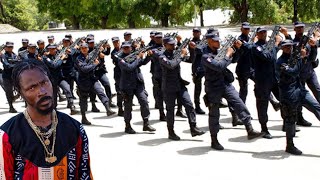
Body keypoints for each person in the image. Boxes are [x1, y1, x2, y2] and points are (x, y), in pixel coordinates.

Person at [0, 59, 93, 179]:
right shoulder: (7, 135)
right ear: (20, 93)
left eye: (44, 82)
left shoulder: (75, 128)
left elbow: (84, 173)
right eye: (32, 88)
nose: (42, 91)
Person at [201, 33, 261, 150]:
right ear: (209, 41)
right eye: (215, 41)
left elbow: (233, 60)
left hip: (225, 83)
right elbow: (219, 65)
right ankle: (214, 139)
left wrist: (237, 49)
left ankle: (249, 129)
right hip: (213, 87)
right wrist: (228, 54)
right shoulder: (205, 56)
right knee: (214, 113)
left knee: (238, 102)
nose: (218, 43)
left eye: (219, 40)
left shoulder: (220, 51)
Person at [276, 39, 320, 155]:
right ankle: (289, 145)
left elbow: (310, 59)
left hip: (300, 89)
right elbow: (294, 71)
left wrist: (313, 47)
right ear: (282, 48)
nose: (288, 48)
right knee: (290, 119)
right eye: (285, 46)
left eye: (290, 46)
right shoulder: (280, 62)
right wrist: (302, 57)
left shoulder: (295, 56)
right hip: (289, 93)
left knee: (317, 107)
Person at [158, 37, 205, 140]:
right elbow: (171, 65)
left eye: (173, 44)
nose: (173, 46)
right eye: (170, 44)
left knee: (189, 104)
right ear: (165, 45)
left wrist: (191, 50)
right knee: (170, 110)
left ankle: (193, 127)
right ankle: (171, 132)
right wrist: (181, 55)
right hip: (169, 87)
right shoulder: (162, 56)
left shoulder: (176, 53)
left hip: (179, 84)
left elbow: (191, 60)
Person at [281, 21, 319, 127]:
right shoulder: (292, 43)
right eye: (298, 28)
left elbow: (312, 58)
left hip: (310, 72)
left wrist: (314, 46)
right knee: (299, 98)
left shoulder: (308, 41)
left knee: (318, 91)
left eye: (302, 27)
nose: (300, 29)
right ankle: (299, 118)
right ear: (294, 29)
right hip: (299, 74)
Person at [117, 41, 156, 134]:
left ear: (131, 48)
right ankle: (127, 126)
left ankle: (146, 123)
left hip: (138, 83)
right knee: (128, 107)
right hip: (127, 86)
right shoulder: (120, 59)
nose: (127, 49)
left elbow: (143, 62)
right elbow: (129, 67)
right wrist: (138, 58)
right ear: (122, 48)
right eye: (125, 48)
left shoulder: (134, 55)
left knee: (144, 101)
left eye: (128, 47)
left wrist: (149, 56)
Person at [251, 26, 282, 139]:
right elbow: (268, 56)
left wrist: (279, 42)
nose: (263, 34)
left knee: (284, 99)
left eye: (265, 32)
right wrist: (275, 44)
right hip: (262, 81)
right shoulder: (256, 47)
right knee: (262, 105)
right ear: (257, 35)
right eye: (261, 32)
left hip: (274, 78)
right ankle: (264, 128)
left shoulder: (269, 45)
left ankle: (287, 123)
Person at [75, 43, 116, 125]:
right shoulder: (79, 59)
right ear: (80, 49)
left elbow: (98, 66)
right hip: (83, 81)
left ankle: (108, 109)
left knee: (100, 91)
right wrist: (94, 64)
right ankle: (83, 117)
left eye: (85, 48)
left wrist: (101, 60)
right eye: (82, 48)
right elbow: (84, 69)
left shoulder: (91, 56)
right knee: (83, 100)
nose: (84, 49)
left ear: (87, 49)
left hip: (92, 79)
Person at [189, 28, 206, 114]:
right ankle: (197, 106)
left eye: (197, 32)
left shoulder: (203, 41)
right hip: (197, 68)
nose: (196, 33)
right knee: (198, 88)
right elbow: (199, 51)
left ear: (200, 33)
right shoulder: (192, 43)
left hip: (205, 66)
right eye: (194, 32)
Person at [1, 41, 20, 113]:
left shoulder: (14, 55)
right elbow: (6, 65)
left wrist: (14, 63)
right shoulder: (3, 55)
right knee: (9, 92)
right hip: (7, 77)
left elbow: (19, 62)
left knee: (20, 89)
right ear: (5, 48)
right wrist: (15, 64)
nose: (10, 48)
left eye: (11, 47)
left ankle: (14, 97)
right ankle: (11, 106)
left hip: (14, 76)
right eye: (8, 47)